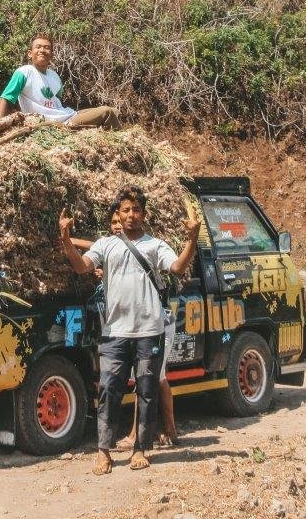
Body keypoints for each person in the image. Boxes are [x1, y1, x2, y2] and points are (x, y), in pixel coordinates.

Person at [59, 185, 201, 476]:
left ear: (144, 214)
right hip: (115, 332)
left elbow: (176, 268)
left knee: (147, 392)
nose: (131, 215)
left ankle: (140, 449)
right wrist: (65, 238)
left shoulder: (154, 245)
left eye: (136, 210)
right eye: (126, 210)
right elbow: (82, 267)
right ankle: (104, 452)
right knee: (110, 390)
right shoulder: (106, 244)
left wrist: (192, 239)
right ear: (118, 214)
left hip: (150, 331)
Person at [0, 33, 119, 129]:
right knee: (106, 112)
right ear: (30, 53)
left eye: (47, 48)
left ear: (52, 54)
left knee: (115, 111)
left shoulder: (54, 76)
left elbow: (58, 102)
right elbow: (4, 99)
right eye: (38, 47)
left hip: (66, 115)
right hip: (56, 122)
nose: (42, 50)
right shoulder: (24, 72)